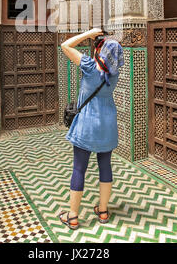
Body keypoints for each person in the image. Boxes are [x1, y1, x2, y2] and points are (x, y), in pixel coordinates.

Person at [59, 28, 124, 230]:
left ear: (99, 51)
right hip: (107, 124)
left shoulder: (88, 66)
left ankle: (73, 216)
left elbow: (65, 46)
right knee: (105, 166)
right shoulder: (113, 74)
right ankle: (103, 211)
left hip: (86, 125)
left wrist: (89, 34)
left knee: (79, 168)